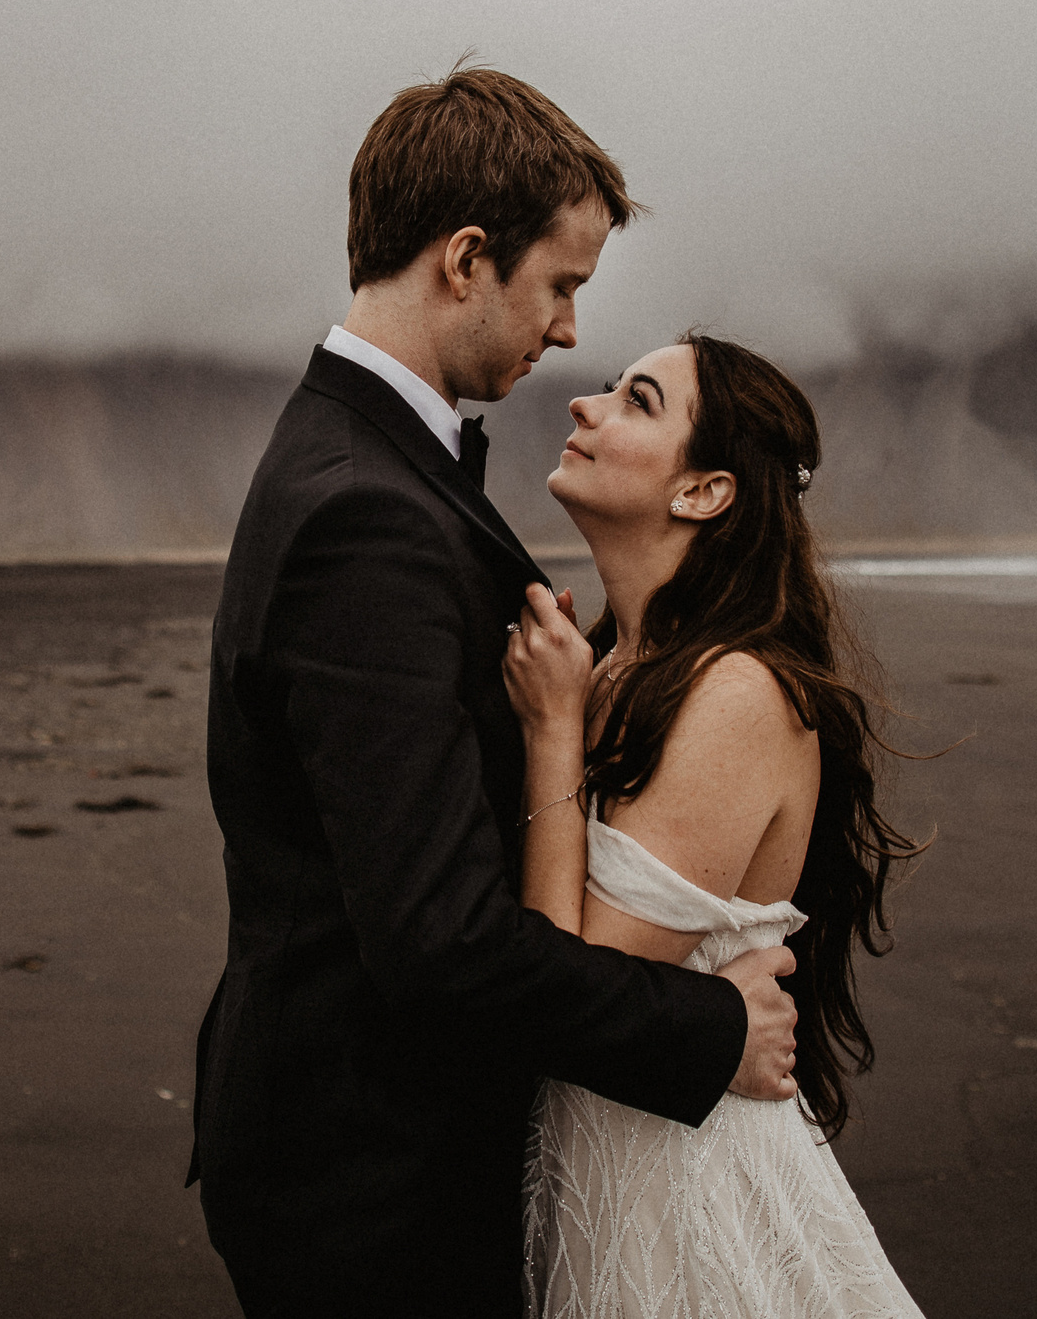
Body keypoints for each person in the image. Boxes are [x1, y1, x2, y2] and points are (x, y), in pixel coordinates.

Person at [189, 68, 804, 1317]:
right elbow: (438, 942)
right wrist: (707, 1030)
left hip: (353, 1143)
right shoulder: (366, 513)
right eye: (560, 285)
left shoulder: (362, 464)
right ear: (466, 259)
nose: (569, 332)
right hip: (370, 1181)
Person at [504, 331, 927, 1317]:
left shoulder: (735, 692)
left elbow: (573, 982)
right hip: (601, 1166)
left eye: (637, 400)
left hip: (683, 1190)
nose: (584, 405)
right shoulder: (612, 665)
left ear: (703, 491)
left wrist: (553, 733)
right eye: (610, 388)